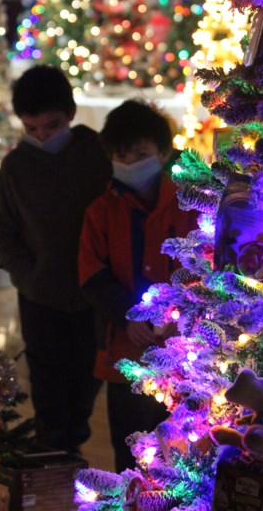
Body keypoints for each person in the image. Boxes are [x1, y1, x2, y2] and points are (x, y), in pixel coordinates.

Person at [0, 65, 112, 454]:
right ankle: (53, 452)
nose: (42, 136)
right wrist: (28, 277)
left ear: (70, 114)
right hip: (41, 295)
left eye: (52, 125)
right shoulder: (16, 167)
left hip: (93, 293)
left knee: (87, 376)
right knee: (47, 378)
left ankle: (70, 442)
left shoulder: (96, 154)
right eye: (32, 129)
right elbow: (1, 227)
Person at [78, 99, 199, 471]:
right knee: (130, 452)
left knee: (181, 451)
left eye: (141, 154)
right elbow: (92, 273)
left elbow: (202, 264)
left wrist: (177, 313)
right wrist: (129, 316)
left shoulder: (188, 204)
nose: (130, 164)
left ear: (163, 152)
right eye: (122, 156)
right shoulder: (101, 210)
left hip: (185, 354)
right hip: (125, 354)